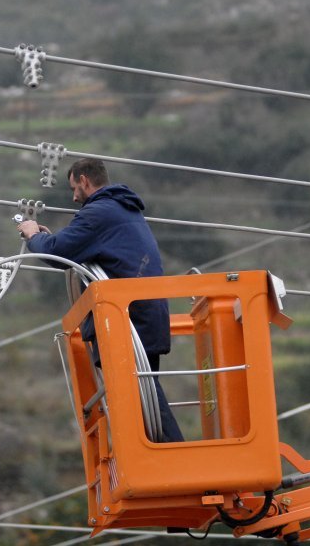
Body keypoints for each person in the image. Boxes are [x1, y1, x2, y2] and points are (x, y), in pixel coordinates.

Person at [17, 158, 184, 443]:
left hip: (128, 319)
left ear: (84, 180)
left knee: (141, 391)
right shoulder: (122, 209)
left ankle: (176, 455)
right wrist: (55, 241)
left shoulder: (99, 213)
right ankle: (158, 453)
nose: (73, 197)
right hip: (144, 313)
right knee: (140, 395)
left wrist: (33, 235)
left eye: (74, 188)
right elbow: (78, 246)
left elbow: (57, 253)